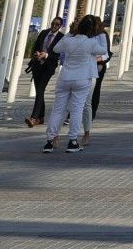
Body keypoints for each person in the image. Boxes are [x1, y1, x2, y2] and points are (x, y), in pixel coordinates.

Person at [44, 16, 110, 153]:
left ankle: (49, 142)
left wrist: (69, 32)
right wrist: (101, 32)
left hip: (65, 78)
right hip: (82, 79)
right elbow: (104, 50)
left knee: (58, 109)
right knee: (77, 109)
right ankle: (72, 141)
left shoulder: (68, 40)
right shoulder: (91, 43)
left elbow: (55, 49)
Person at [26, 17, 66, 128]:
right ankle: (41, 117)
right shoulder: (44, 33)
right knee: (39, 91)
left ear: (60, 26)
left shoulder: (61, 37)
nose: (54, 26)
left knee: (40, 90)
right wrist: (37, 53)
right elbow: (35, 46)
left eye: (57, 24)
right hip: (37, 65)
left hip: (48, 67)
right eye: (53, 23)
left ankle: (34, 117)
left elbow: (59, 54)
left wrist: (47, 55)